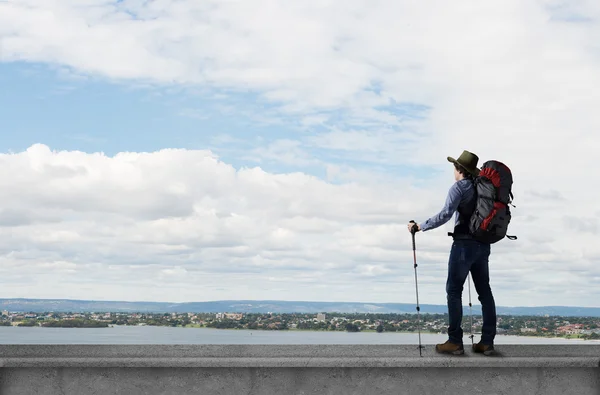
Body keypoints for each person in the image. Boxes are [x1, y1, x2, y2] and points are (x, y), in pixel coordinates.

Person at [407, 150, 496, 356]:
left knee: (454, 291)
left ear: (459, 170)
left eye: (454, 167)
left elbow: (446, 214)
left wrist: (420, 226)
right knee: (485, 292)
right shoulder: (484, 188)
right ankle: (487, 342)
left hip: (463, 245)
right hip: (483, 245)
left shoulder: (460, 187)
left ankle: (455, 341)